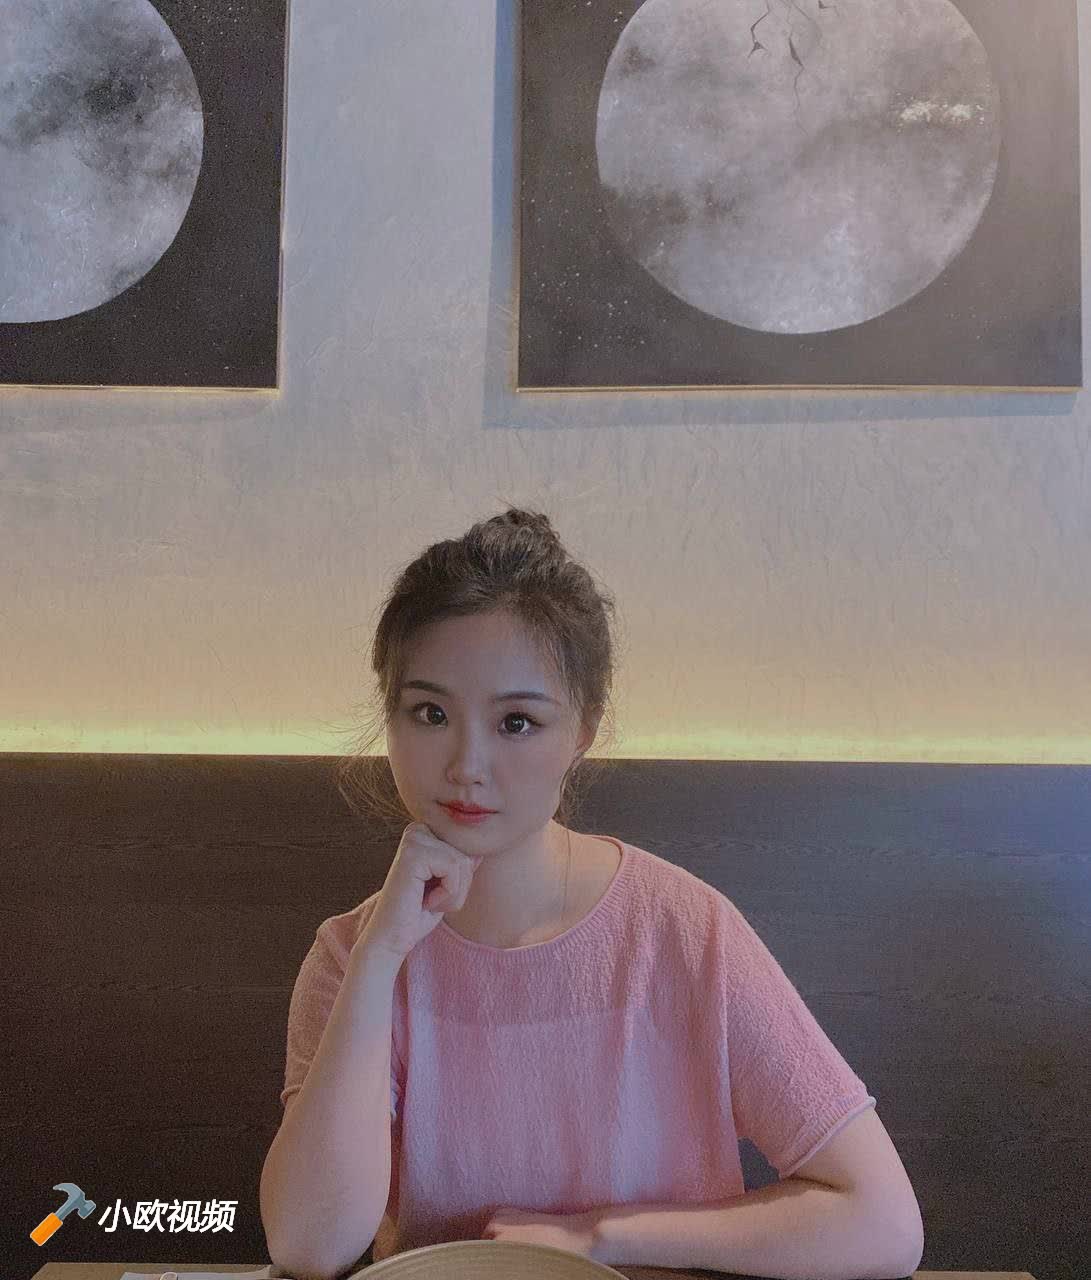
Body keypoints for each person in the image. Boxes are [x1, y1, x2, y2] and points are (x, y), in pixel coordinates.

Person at [260, 506, 878, 1279]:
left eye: (516, 722)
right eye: (430, 713)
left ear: (582, 729)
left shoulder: (685, 931)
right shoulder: (351, 957)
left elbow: (877, 1217)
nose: (466, 765)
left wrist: (600, 1238)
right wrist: (379, 959)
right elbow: (308, 1247)